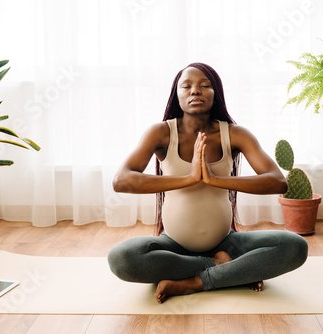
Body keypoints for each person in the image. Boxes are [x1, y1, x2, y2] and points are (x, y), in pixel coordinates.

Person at [108, 62, 308, 304]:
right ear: (177, 95)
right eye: (187, 86)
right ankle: (225, 269)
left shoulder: (234, 134)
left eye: (205, 85)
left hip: (227, 243)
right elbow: (121, 181)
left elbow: (277, 182)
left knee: (295, 247)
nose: (195, 91)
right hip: (174, 246)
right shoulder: (161, 133)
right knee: (122, 258)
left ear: (216, 95)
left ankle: (195, 282)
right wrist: (189, 178)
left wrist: (215, 180)